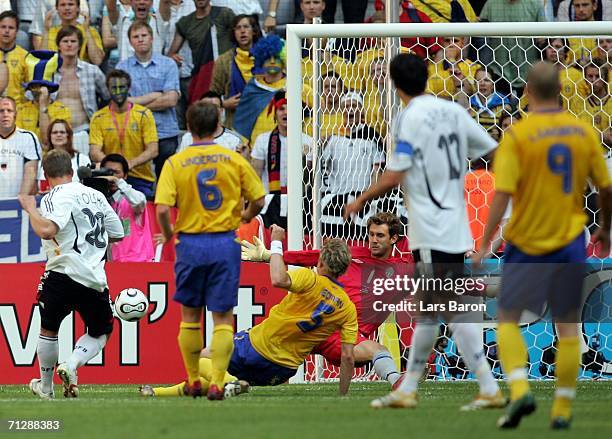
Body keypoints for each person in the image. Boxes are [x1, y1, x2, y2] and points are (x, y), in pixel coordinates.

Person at [345, 54, 503, 410]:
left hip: (431, 230)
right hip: (455, 223)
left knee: (443, 310)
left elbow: (396, 172)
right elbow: (493, 150)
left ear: (394, 84)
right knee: (438, 310)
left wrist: (361, 199)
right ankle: (411, 388)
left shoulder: (409, 118)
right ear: (427, 78)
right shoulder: (452, 111)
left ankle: (484, 387)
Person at [471, 61, 612, 430]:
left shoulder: (518, 135)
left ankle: (519, 391)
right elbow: (606, 188)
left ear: (528, 92)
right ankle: (562, 410)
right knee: (568, 327)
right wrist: (606, 228)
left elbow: (502, 195)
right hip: (569, 240)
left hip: (527, 240)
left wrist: (486, 242)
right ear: (561, 92)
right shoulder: (582, 132)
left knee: (507, 317)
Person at [143, 226, 357, 397]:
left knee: (200, 358)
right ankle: (157, 393)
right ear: (345, 268)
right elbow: (347, 356)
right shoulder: (347, 308)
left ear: (319, 262)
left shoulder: (310, 279)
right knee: (214, 380)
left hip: (257, 347)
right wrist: (343, 394)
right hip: (282, 370)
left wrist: (275, 244)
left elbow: (279, 279)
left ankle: (232, 383)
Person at [155, 101, 266, 400]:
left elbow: (163, 209)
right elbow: (259, 199)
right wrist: (244, 215)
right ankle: (217, 381)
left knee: (190, 316)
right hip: (223, 242)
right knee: (222, 317)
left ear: (189, 127)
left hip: (190, 242)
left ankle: (193, 378)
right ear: (217, 124)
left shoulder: (175, 162)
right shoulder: (232, 159)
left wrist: (169, 236)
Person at [243, 212, 406, 387]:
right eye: (371, 234)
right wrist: (270, 256)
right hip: (314, 322)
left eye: (380, 235)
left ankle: (397, 381)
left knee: (378, 350)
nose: (373, 240)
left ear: (394, 238)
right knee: (279, 364)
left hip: (344, 335)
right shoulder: (355, 253)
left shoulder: (403, 269)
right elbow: (313, 256)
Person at [21, 149, 123, 399]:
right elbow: (118, 232)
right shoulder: (96, 195)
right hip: (94, 278)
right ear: (72, 170)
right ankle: (73, 363)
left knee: (48, 330)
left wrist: (30, 208)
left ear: (45, 174)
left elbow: (47, 230)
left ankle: (46, 388)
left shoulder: (55, 195)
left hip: (62, 271)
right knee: (101, 332)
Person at [117, 21, 180, 179]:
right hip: (135, 133)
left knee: (167, 180)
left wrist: (135, 102)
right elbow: (121, 103)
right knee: (137, 183)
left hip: (165, 132)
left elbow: (171, 100)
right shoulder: (122, 68)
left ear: (152, 38)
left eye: (144, 35)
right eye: (135, 36)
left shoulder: (168, 64)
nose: (140, 39)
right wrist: (154, 96)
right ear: (130, 42)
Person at [89, 69, 158, 199]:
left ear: (129, 87)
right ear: (108, 89)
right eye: (114, 88)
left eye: (122, 87)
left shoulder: (144, 114)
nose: (118, 92)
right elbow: (94, 151)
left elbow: (153, 150)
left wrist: (130, 163)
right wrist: (113, 167)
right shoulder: (98, 117)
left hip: (140, 178)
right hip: (110, 178)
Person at [251, 90, 312, 228]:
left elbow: (309, 180)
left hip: (299, 203)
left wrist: (305, 160)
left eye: (290, 108)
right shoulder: (263, 140)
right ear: (275, 113)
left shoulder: (308, 141)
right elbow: (256, 176)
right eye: (281, 109)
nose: (285, 113)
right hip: (269, 203)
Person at [53, 25, 110, 155]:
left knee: (82, 172)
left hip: (83, 131)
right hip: (55, 133)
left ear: (79, 45)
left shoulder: (92, 70)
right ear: (58, 45)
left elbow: (107, 96)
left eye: (73, 41)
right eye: (65, 41)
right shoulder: (48, 73)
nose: (69, 45)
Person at [166, 0, 235, 104]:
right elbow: (171, 53)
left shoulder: (224, 14)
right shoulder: (185, 22)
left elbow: (241, 33)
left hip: (228, 76)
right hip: (203, 78)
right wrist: (173, 57)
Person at [210, 14, 261, 130]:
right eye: (238, 28)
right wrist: (224, 104)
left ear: (254, 31)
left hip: (264, 123)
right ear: (233, 33)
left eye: (246, 27)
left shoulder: (267, 57)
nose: (242, 31)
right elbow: (213, 95)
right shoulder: (223, 61)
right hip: (235, 124)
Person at [100, 153, 154, 262]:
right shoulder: (102, 201)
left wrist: (117, 181)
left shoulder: (133, 198)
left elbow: (139, 202)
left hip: (139, 262)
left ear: (125, 176)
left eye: (117, 172)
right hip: (114, 264)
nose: (112, 176)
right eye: (108, 172)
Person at [177, 91, 248, 155]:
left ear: (222, 111)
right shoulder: (187, 137)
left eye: (215, 107)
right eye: (205, 107)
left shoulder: (233, 140)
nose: (209, 111)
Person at [0, 96, 41, 199]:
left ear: (15, 114)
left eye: (9, 111)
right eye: (1, 111)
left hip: (18, 203)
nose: (5, 114)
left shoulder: (27, 137)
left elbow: (31, 170)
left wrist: (21, 198)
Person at [41, 0, 105, 65]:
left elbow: (97, 60)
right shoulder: (50, 32)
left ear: (78, 8)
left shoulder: (91, 31)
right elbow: (42, 60)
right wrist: (46, 30)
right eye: (63, 5)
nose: (67, 8)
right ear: (57, 8)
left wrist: (87, 30)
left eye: (71, 4)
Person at [38, 119, 90, 192]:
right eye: (55, 132)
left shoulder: (82, 159)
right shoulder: (41, 162)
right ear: (50, 136)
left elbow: (89, 187)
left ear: (68, 135)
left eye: (62, 132)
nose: (58, 135)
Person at [0, 10, 28, 105]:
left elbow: (31, 88)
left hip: (17, 112)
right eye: (3, 27)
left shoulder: (25, 56)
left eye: (11, 28)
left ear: (16, 32)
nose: (6, 31)